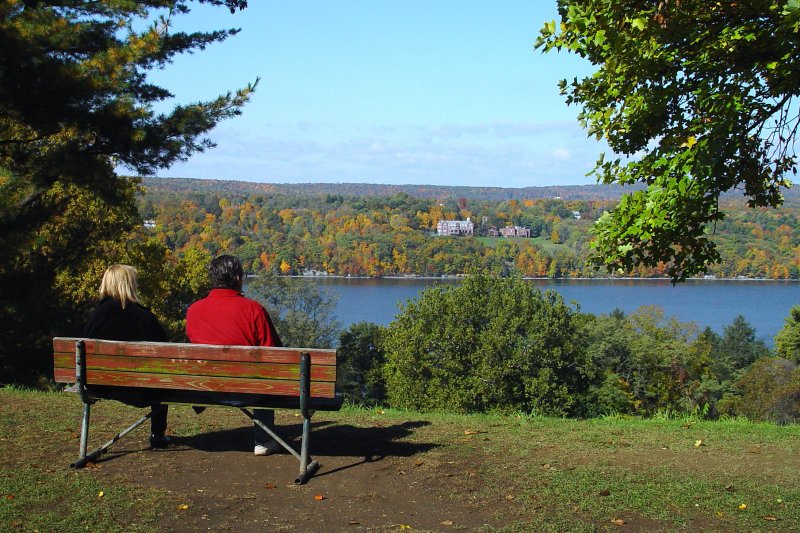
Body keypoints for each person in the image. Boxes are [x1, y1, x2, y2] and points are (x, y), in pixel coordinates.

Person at [186, 255, 282, 456]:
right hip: (248, 390)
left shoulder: (194, 310)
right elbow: (273, 353)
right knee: (266, 374)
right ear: (237, 278)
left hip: (204, 389)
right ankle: (263, 440)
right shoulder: (254, 310)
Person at [83, 264, 171, 449]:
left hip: (99, 385)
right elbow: (165, 354)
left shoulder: (94, 316)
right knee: (162, 377)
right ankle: (158, 433)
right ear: (130, 285)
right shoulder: (145, 317)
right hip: (142, 390)